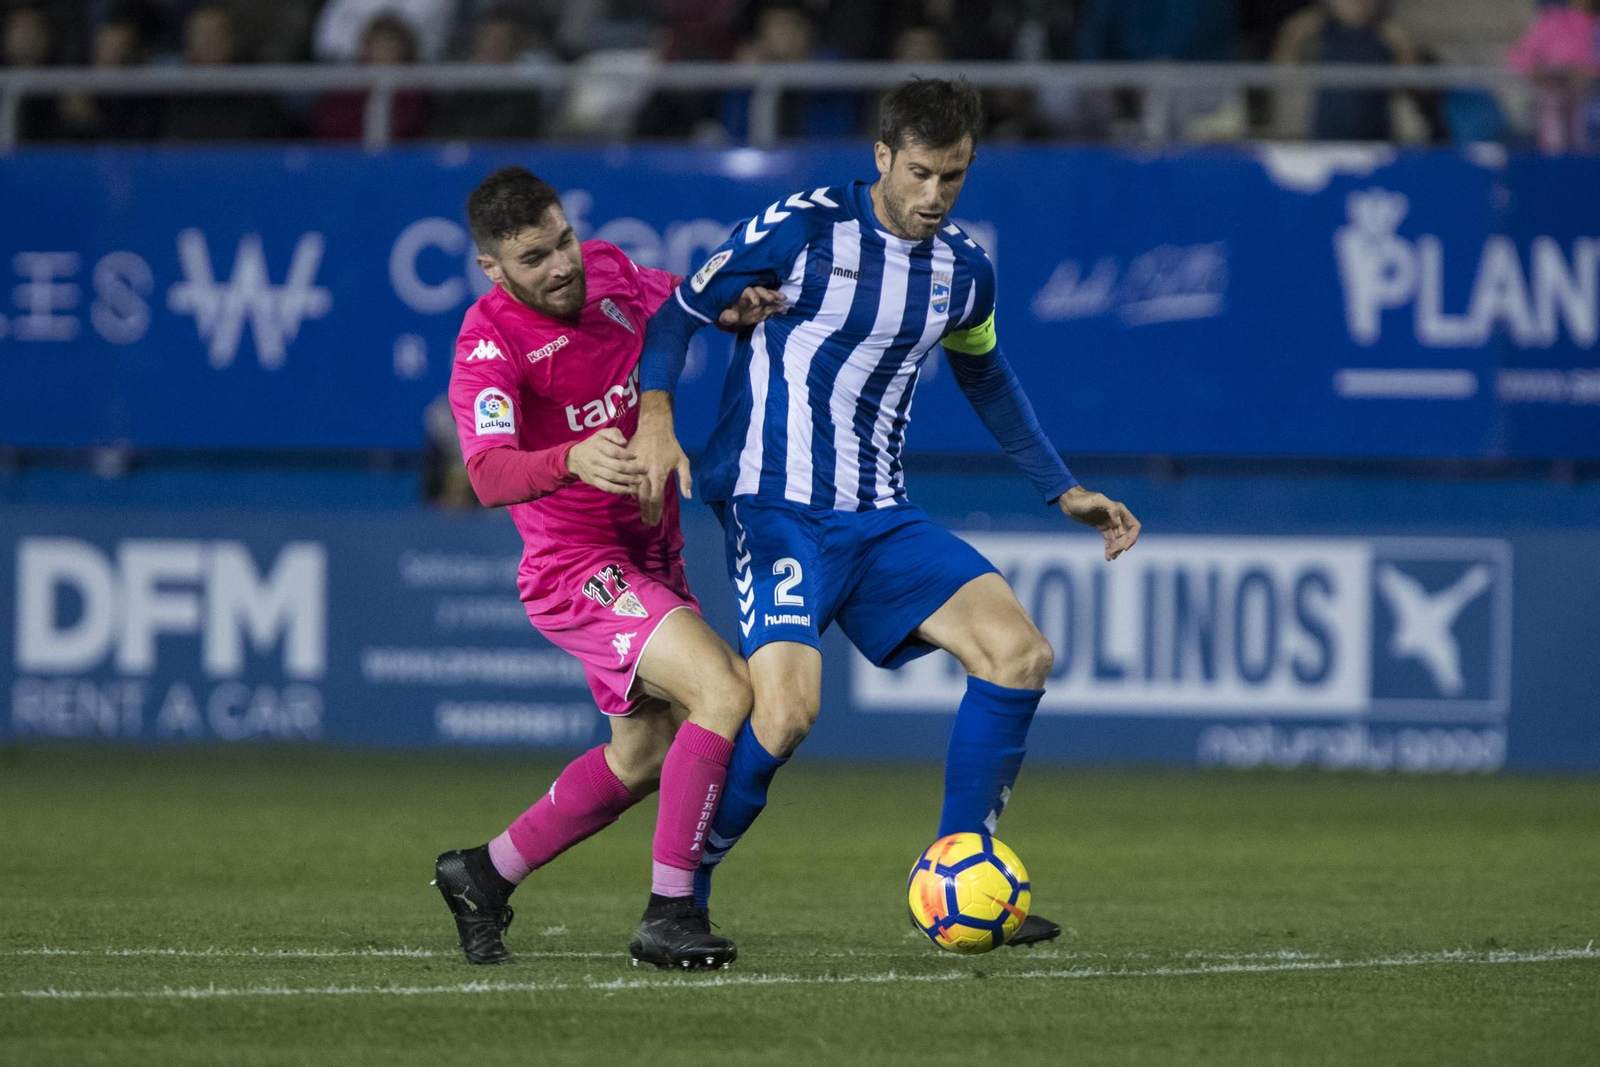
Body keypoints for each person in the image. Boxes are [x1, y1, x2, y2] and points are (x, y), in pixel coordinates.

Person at [629, 77, 1141, 949]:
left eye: (954, 176)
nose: (934, 194)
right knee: (784, 713)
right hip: (776, 504)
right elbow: (679, 313)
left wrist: (1061, 487)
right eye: (919, 173)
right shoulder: (803, 227)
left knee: (1018, 652)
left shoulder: (963, 271)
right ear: (881, 158)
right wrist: (656, 415)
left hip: (881, 515)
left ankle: (964, 869)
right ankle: (678, 898)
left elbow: (985, 371)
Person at [434, 167, 786, 970]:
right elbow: (487, 474)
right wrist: (572, 456)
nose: (562, 265)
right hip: (577, 567)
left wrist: (738, 309)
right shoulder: (488, 344)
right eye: (534, 258)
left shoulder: (612, 271)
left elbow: (684, 307)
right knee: (725, 690)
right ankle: (670, 912)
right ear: (492, 267)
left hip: (651, 551)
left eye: (562, 241)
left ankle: (483, 874)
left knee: (643, 754)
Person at [1271, 0, 1418, 142]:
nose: (1356, 4)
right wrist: (1298, 30)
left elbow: (1409, 80)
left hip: (1375, 134)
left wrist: (1402, 47)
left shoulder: (1388, 34)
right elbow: (1283, 64)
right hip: (1328, 135)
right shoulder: (1317, 30)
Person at [1508, 0, 1600, 153]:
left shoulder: (1594, 26)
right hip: (1555, 88)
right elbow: (1521, 57)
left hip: (1588, 96)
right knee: (1554, 103)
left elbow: (1589, 68)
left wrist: (1586, 73)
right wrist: (1538, 71)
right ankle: (1555, 157)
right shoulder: (1553, 20)